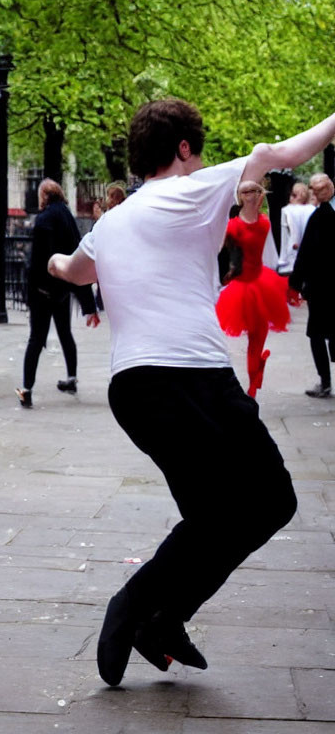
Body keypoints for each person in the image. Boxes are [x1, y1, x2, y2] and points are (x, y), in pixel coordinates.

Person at [47, 98, 335, 687]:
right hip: (191, 377)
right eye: (197, 149)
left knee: (214, 516)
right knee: (270, 499)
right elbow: (274, 154)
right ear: (183, 150)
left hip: (132, 389)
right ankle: (137, 605)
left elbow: (75, 271)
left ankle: (163, 622)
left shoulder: (111, 222)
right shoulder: (196, 188)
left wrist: (51, 259)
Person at [15, 179, 99, 408]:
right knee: (65, 333)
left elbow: (37, 261)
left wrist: (29, 293)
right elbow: (77, 255)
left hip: (43, 289)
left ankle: (26, 388)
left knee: (36, 338)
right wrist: (88, 304)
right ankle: (71, 378)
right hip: (62, 287)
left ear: (44, 195)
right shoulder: (67, 217)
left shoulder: (44, 219)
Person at [215, 180, 291, 397]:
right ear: (240, 196)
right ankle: (252, 387)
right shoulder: (233, 226)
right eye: (245, 191)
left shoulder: (265, 222)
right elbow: (220, 250)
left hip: (262, 282)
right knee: (252, 341)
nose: (250, 195)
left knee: (259, 337)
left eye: (254, 191)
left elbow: (266, 248)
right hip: (242, 286)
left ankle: (255, 378)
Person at [289, 172, 335, 398]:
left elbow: (306, 254)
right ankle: (325, 381)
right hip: (323, 287)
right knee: (321, 333)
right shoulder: (319, 216)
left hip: (321, 287)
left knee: (317, 334)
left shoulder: (319, 217)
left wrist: (295, 284)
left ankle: (325, 382)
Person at [278, 181, 315, 275]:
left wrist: (282, 260)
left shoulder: (286, 210)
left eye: (293, 194)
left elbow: (285, 237)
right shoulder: (313, 209)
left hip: (291, 257)